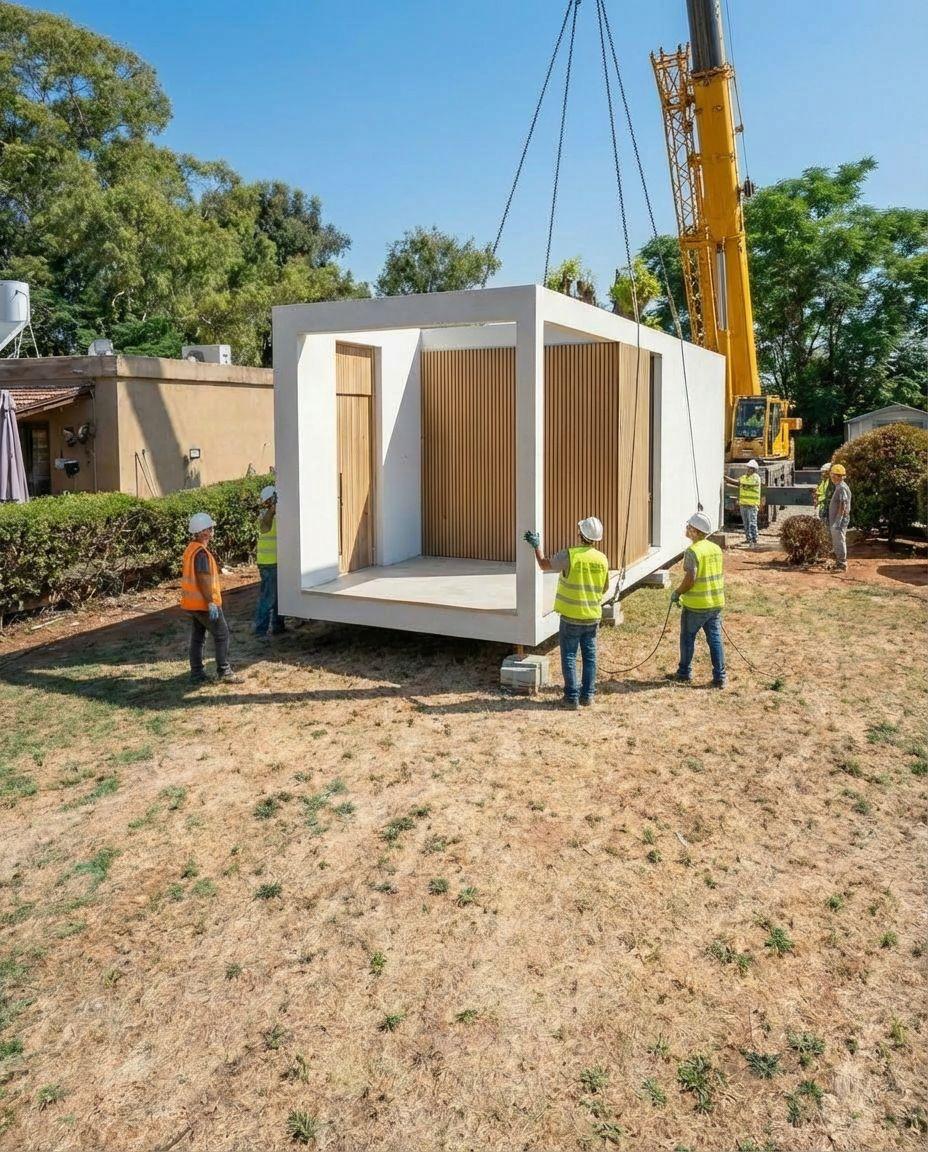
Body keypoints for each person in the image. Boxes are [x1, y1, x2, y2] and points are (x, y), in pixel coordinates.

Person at [524, 517, 610, 710]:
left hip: (571, 617)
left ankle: (571, 698)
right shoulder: (602, 559)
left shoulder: (570, 555)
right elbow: (604, 587)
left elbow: (545, 565)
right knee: (590, 657)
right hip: (592, 617)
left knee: (570, 656)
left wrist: (536, 546)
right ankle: (587, 696)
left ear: (580, 534)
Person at [180, 512, 239, 685]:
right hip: (204, 603)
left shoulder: (191, 549)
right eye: (210, 528)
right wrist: (211, 602)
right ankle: (224, 671)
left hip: (193, 603)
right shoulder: (201, 554)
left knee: (198, 636)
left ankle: (197, 673)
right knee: (222, 634)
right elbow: (203, 578)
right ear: (203, 532)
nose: (213, 530)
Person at [669, 511, 726, 688]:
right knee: (715, 640)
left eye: (689, 527)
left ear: (695, 531)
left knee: (687, 638)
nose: (686, 529)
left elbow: (691, 578)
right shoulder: (715, 548)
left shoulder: (693, 551)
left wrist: (678, 592)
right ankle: (720, 677)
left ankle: (684, 672)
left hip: (696, 605)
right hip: (715, 603)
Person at [253, 484, 285, 637]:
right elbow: (266, 525)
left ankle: (279, 626)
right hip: (268, 564)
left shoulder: (279, 514)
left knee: (280, 596)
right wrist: (273, 509)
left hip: (278, 562)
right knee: (268, 597)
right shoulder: (263, 515)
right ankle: (260, 630)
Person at [724, 460, 761, 547]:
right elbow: (737, 482)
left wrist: (726, 478)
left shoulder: (756, 478)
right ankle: (748, 539)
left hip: (752, 505)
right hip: (743, 505)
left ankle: (754, 541)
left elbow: (737, 482)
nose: (748, 470)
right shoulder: (744, 477)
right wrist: (727, 482)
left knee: (752, 523)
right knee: (746, 524)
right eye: (748, 468)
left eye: (750, 469)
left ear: (754, 470)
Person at [827, 463, 851, 571]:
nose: (831, 477)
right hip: (838, 519)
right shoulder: (839, 486)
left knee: (840, 540)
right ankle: (839, 561)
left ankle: (842, 564)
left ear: (838, 476)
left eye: (833, 475)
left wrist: (838, 520)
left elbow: (843, 504)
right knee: (838, 539)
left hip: (839, 520)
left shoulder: (841, 488)